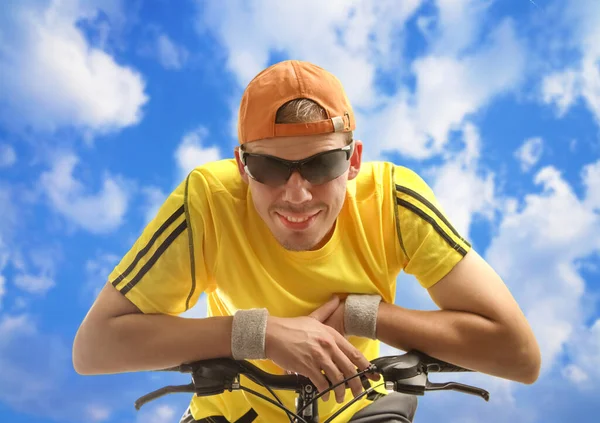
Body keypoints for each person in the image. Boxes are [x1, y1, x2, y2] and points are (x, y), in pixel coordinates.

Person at [72, 60, 541, 422]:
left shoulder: (394, 202)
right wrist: (259, 334)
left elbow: (519, 356)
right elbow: (93, 348)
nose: (296, 195)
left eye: (321, 166)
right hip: (232, 413)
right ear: (242, 165)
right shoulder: (207, 201)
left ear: (353, 160)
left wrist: (362, 315)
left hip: (357, 410)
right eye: (270, 169)